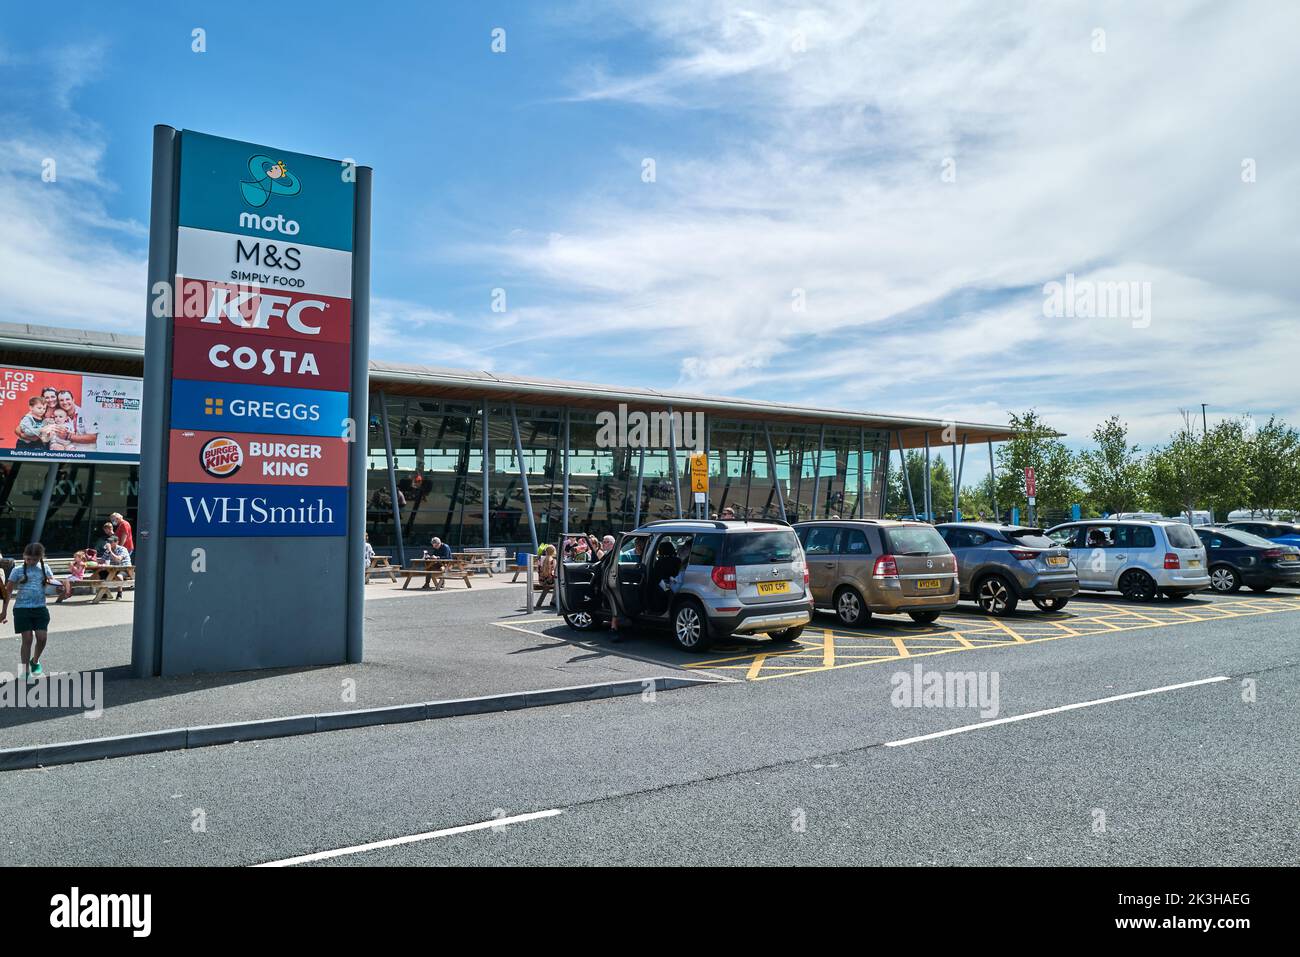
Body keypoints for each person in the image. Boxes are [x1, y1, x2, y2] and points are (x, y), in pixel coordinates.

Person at [3, 542, 64, 682]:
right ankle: (24, 672)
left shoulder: (45, 568)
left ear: (40, 558)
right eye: (28, 559)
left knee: (42, 638)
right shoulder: (17, 570)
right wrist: (3, 611)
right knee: (27, 639)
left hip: (40, 608)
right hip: (21, 609)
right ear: (24, 556)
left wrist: (60, 590)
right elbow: (8, 591)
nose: (30, 562)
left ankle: (35, 661)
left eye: (34, 559)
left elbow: (53, 587)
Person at [98, 536, 132, 602]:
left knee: (118, 576)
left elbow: (118, 560)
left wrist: (110, 550)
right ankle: (105, 593)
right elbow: (102, 560)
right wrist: (91, 558)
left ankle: (119, 593)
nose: (109, 543)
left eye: (111, 542)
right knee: (100, 574)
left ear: (117, 542)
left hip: (125, 569)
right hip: (113, 569)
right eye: (108, 542)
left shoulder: (122, 549)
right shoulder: (108, 550)